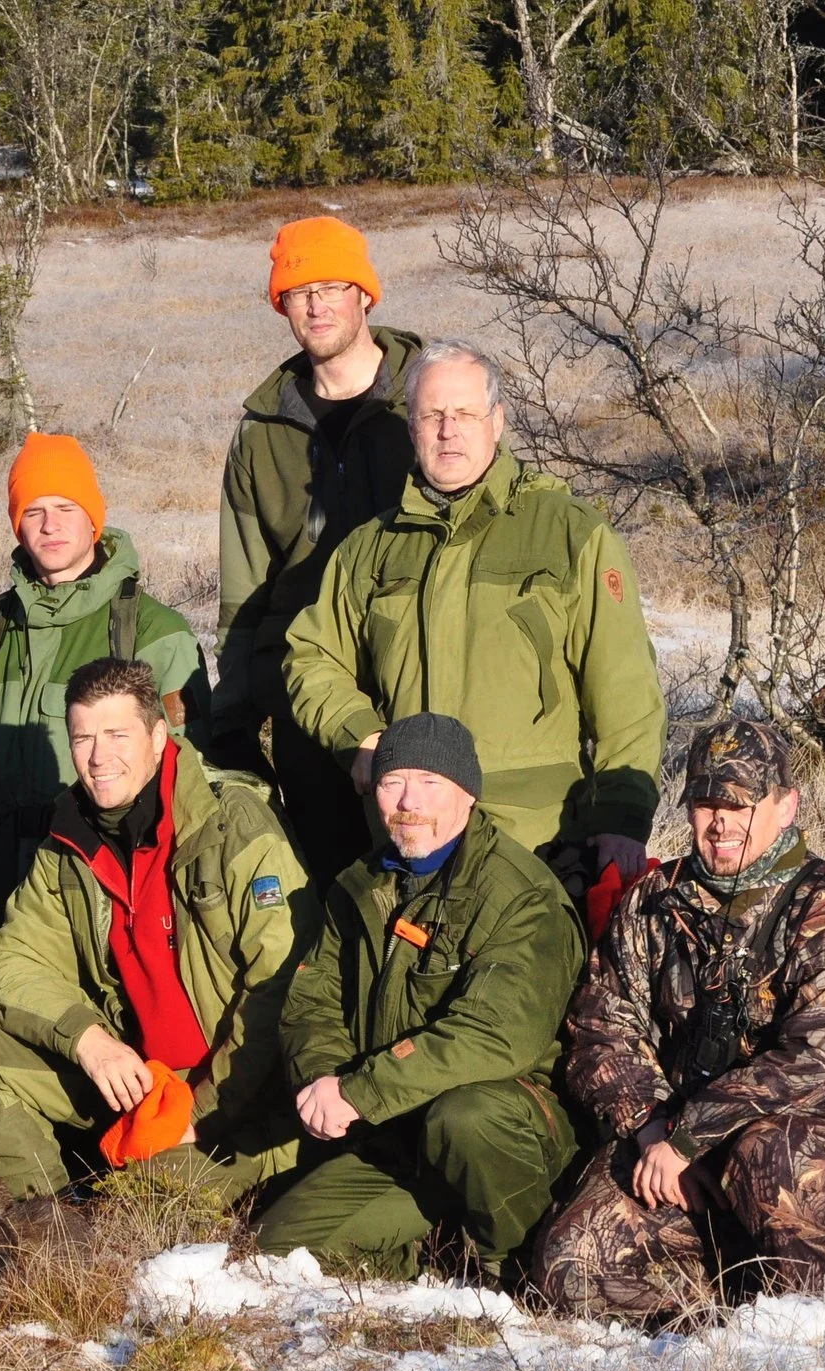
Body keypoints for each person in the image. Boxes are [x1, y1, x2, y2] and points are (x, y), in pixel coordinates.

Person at [534, 719, 825, 1318]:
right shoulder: (654, 899)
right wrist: (652, 1130)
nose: (720, 823)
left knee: (771, 1158)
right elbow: (601, 1030)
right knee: (566, 1266)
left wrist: (691, 1139)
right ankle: (733, 1299)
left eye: (739, 805)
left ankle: (820, 1332)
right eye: (706, 804)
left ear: (787, 807)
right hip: (675, 1135)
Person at [281, 339, 666, 893]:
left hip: (537, 845)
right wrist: (361, 736)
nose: (448, 430)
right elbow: (312, 656)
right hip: (410, 842)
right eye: (432, 415)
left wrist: (623, 820)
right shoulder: (369, 549)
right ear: (410, 426)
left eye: (465, 413)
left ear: (498, 421)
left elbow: (625, 691)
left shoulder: (568, 532)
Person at [0, 659, 316, 1200]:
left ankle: (156, 1184)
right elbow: (10, 959)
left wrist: (203, 1113)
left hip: (240, 1094)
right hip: (135, 1077)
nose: (98, 757)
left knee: (143, 1201)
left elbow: (280, 984)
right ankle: (44, 1218)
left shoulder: (232, 824)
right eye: (83, 737)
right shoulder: (67, 841)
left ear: (158, 736)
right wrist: (87, 1040)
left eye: (117, 734)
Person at [258, 714, 583, 1277]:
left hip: (505, 1126)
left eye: (431, 783)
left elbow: (492, 1038)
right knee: (278, 1253)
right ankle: (435, 1244)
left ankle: (517, 1266)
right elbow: (313, 1003)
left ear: (468, 794)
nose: (410, 802)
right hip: (393, 1131)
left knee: (466, 1117)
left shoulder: (520, 895)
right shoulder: (359, 884)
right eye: (393, 782)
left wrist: (360, 1091)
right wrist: (325, 1082)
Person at [0, 432, 210, 961]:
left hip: (105, 890)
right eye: (33, 510)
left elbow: (188, 784)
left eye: (66, 506)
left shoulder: (155, 633)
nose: (50, 524)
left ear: (94, 518)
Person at [215, 217, 422, 880]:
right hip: (305, 709)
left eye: (334, 285)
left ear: (366, 295)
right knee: (332, 898)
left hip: (415, 689)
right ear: (282, 306)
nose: (318, 304)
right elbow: (245, 590)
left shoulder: (427, 404)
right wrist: (236, 723)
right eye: (299, 292)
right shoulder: (262, 433)